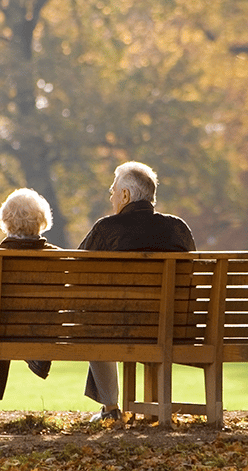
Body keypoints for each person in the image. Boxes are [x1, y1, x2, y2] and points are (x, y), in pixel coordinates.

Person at [78, 161, 196, 422]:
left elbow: (74, 272)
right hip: (176, 327)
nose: (110, 196)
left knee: (92, 317)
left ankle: (110, 409)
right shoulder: (178, 228)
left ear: (125, 195)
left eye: (113, 190)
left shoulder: (106, 229)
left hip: (118, 329)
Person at [0, 188, 58, 409]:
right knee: (3, 322)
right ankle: (35, 356)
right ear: (42, 220)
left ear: (6, 221)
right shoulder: (57, 256)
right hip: (40, 333)